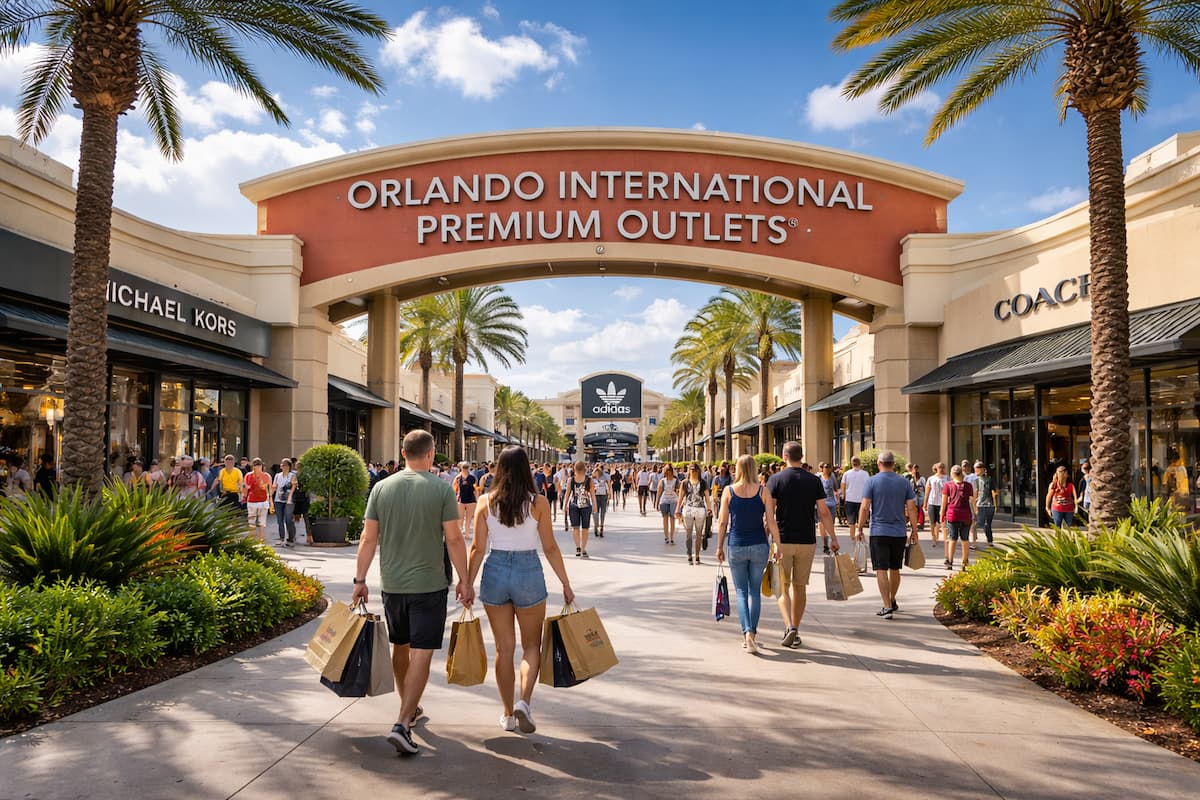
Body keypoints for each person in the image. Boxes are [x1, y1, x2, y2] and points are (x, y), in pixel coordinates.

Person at [351, 429, 473, 756]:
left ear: (403, 453)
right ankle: (403, 722)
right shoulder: (440, 489)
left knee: (400, 646)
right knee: (422, 650)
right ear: (431, 454)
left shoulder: (381, 487)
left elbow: (368, 538)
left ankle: (409, 709)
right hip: (430, 584)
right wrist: (465, 579)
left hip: (391, 583)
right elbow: (454, 539)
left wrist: (359, 579)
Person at [468, 446, 575, 735]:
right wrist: (565, 582)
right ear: (527, 468)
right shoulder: (538, 502)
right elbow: (550, 547)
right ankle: (524, 703)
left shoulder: (485, 502)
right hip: (528, 571)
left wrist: (466, 582)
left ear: (499, 470)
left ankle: (506, 714)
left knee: (504, 649)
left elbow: (478, 549)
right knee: (531, 646)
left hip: (496, 570)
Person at [768, 443, 838, 648]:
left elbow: (769, 515)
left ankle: (789, 626)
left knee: (783, 588)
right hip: (807, 540)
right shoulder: (813, 480)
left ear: (784, 456)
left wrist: (770, 538)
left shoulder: (775, 479)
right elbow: (824, 512)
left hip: (783, 540)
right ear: (802, 456)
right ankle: (796, 629)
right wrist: (832, 538)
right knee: (800, 587)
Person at [716, 454, 782, 654]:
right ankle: (751, 633)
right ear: (754, 469)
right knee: (754, 591)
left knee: (742, 593)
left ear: (737, 468)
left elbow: (722, 522)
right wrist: (778, 545)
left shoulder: (728, 491)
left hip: (736, 545)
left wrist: (719, 547)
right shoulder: (764, 491)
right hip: (759, 546)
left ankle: (746, 634)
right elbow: (771, 521)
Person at [857, 451, 919, 620]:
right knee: (895, 568)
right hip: (899, 532)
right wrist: (914, 530)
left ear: (879, 463)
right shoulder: (904, 482)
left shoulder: (872, 481)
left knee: (881, 569)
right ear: (893, 464)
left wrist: (859, 527)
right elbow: (911, 508)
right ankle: (891, 600)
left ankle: (886, 605)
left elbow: (864, 507)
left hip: (879, 531)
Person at [942, 464, 974, 570]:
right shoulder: (968, 485)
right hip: (966, 515)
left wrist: (942, 514)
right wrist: (975, 512)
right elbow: (972, 500)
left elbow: (944, 502)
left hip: (952, 514)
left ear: (952, 474)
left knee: (952, 538)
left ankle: (950, 562)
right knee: (965, 539)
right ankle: (964, 562)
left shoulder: (948, 485)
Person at [677, 463, 711, 565]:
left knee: (699, 534)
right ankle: (689, 555)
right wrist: (677, 509)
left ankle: (697, 555)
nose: (694, 472)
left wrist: (709, 509)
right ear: (689, 471)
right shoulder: (684, 483)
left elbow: (707, 497)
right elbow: (680, 497)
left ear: (699, 471)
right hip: (688, 509)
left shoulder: (703, 483)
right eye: (692, 470)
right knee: (688, 535)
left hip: (700, 510)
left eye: (696, 470)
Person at [564, 461, 596, 559]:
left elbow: (568, 493)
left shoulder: (571, 480)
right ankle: (583, 548)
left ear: (574, 469)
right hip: (586, 505)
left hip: (573, 505)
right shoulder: (589, 480)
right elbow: (592, 494)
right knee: (585, 529)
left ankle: (578, 547)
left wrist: (565, 505)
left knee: (576, 528)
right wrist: (595, 505)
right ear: (584, 469)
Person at [242, 458, 273, 541]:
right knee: (262, 523)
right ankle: (261, 541)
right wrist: (271, 501)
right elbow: (270, 489)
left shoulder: (249, 475)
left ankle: (253, 542)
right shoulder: (266, 476)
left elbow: (245, 487)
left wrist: (244, 496)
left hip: (253, 501)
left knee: (252, 522)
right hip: (261, 501)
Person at [840, 456, 869, 542]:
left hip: (850, 499)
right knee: (860, 520)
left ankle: (852, 537)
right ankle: (859, 536)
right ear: (860, 463)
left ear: (852, 464)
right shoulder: (865, 474)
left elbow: (843, 485)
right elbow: (868, 486)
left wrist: (844, 496)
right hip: (861, 499)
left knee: (851, 521)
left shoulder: (847, 473)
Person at [273, 458, 298, 546]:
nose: (283, 467)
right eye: (282, 465)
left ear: (289, 466)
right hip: (278, 500)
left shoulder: (292, 476)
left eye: (286, 465)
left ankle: (291, 538)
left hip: (288, 500)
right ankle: (281, 538)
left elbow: (293, 487)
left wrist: (290, 498)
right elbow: (274, 487)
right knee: (280, 520)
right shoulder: (277, 475)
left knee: (288, 519)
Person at [973, 461, 998, 545]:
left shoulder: (990, 480)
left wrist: (995, 504)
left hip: (989, 505)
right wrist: (974, 505)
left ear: (982, 469)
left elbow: (994, 492)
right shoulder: (976, 480)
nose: (975, 471)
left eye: (977, 469)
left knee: (987, 524)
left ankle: (990, 540)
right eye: (975, 469)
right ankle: (974, 541)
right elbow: (975, 493)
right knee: (978, 523)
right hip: (980, 504)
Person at [454, 462, 478, 541]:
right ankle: (460, 532)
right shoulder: (458, 478)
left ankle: (466, 534)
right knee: (460, 518)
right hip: (460, 500)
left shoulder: (472, 478)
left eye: (466, 467)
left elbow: (475, 489)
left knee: (468, 518)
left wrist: (477, 499)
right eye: (464, 467)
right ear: (461, 468)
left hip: (471, 500)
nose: (465, 469)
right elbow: (454, 489)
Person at [818, 462, 839, 554]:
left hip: (831, 503)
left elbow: (836, 489)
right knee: (821, 524)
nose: (826, 469)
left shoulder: (832, 477)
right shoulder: (818, 477)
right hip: (821, 503)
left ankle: (832, 541)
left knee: (831, 523)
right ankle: (825, 544)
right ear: (822, 468)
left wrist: (837, 501)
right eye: (825, 467)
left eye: (827, 467)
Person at [656, 464, 680, 544]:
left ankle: (672, 537)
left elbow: (679, 492)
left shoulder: (676, 480)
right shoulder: (662, 481)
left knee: (672, 519)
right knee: (665, 519)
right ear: (665, 472)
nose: (669, 472)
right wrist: (657, 502)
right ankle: (666, 536)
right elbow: (659, 492)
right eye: (667, 471)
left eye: (670, 470)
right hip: (664, 501)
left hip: (673, 500)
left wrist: (680, 503)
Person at [925, 462, 946, 544]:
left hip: (942, 502)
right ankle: (934, 538)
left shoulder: (946, 478)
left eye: (942, 467)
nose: (941, 469)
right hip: (932, 501)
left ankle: (943, 538)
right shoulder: (931, 478)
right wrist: (925, 503)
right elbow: (927, 491)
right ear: (936, 468)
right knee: (932, 522)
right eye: (939, 467)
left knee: (941, 522)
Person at [592, 465, 611, 537]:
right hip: (603, 495)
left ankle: (597, 526)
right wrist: (609, 494)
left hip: (597, 495)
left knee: (596, 511)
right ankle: (600, 526)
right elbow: (609, 485)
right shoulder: (606, 476)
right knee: (602, 511)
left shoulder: (593, 477)